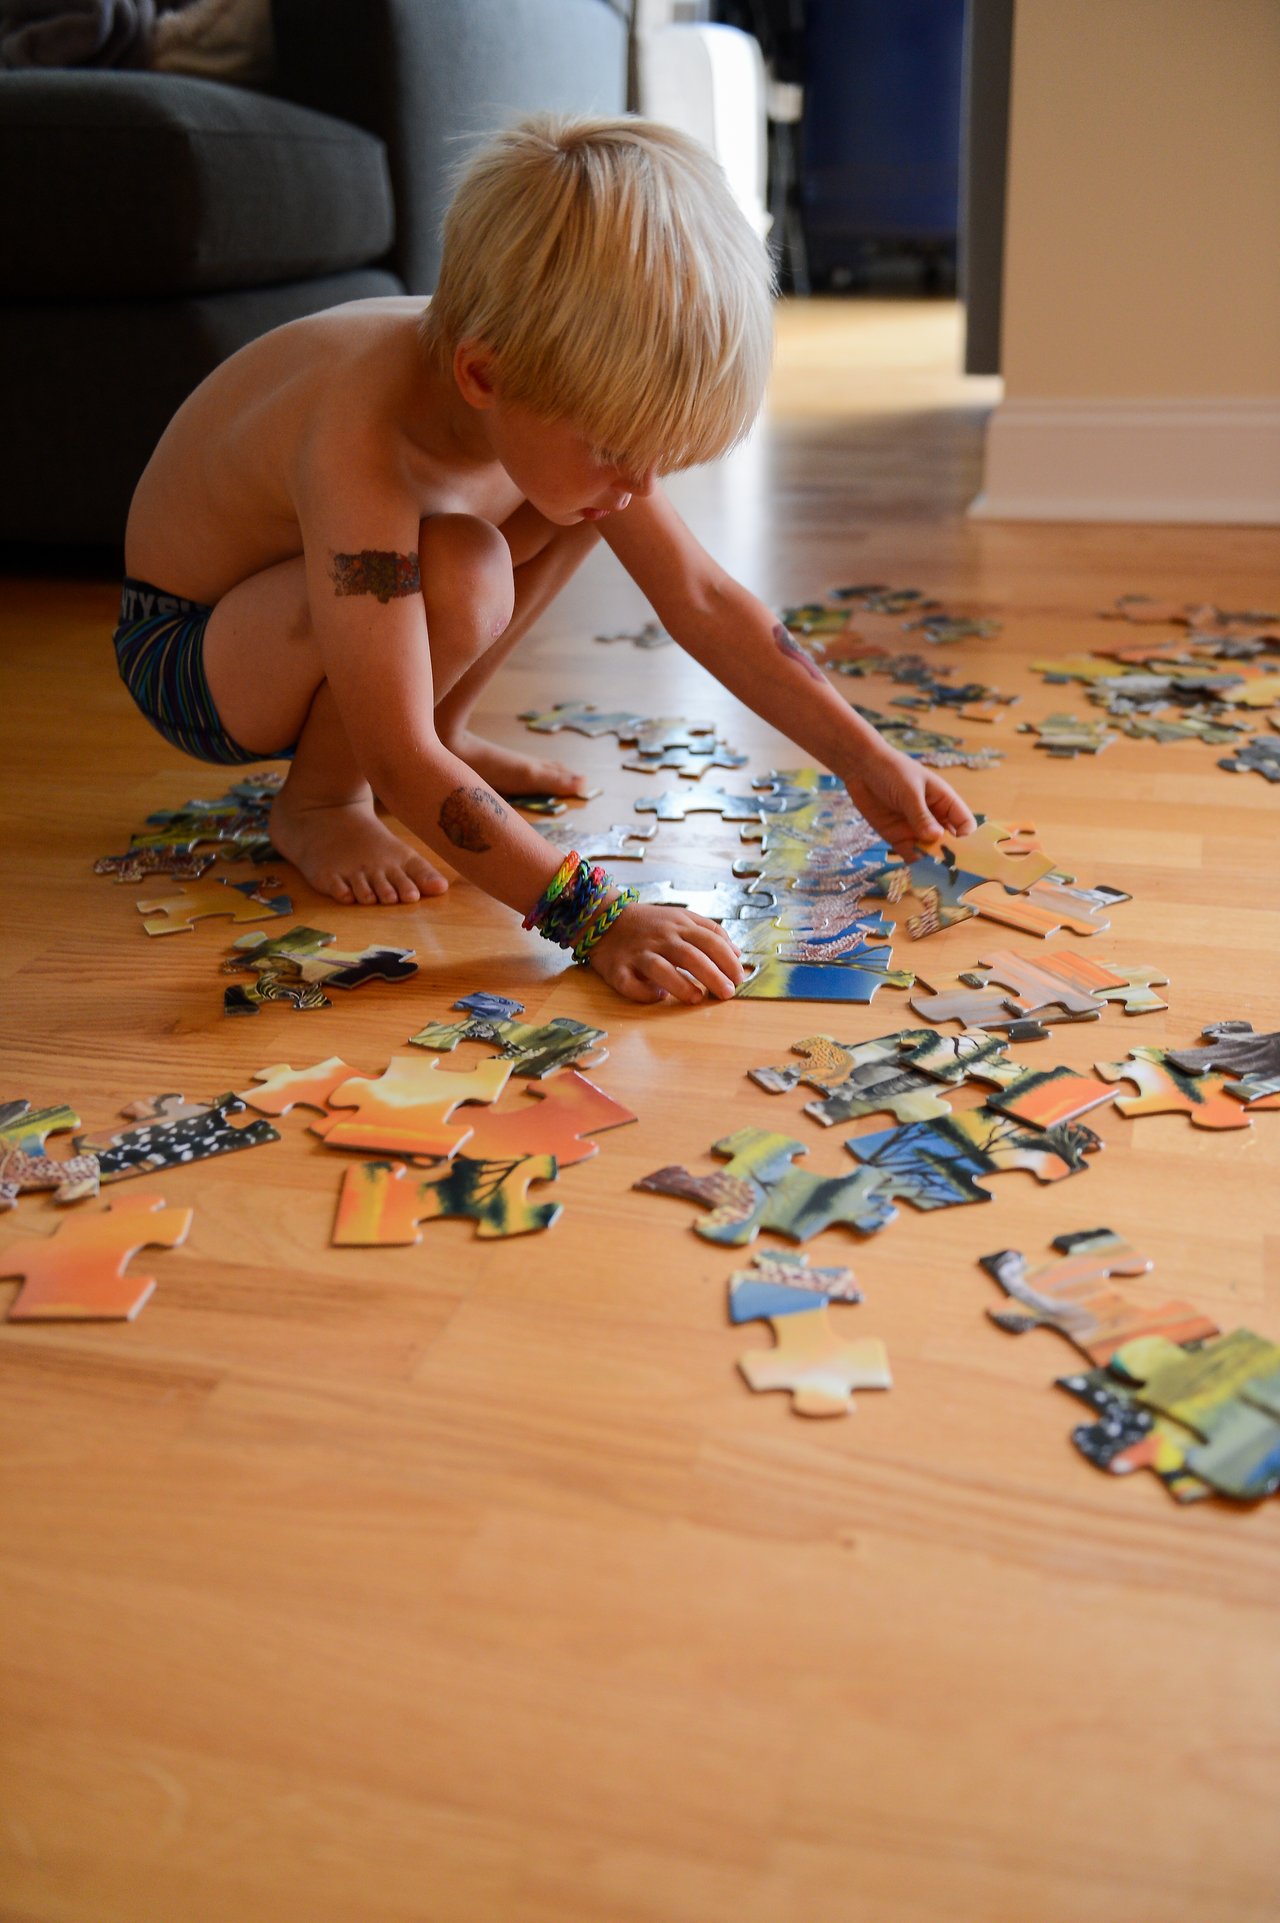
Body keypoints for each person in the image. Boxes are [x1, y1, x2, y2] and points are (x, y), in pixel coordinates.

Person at [117, 114, 974, 1006]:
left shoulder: (536, 380)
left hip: (297, 619)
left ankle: (455, 726)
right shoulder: (359, 432)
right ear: (481, 376)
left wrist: (865, 756)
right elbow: (397, 754)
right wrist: (598, 919)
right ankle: (322, 803)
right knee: (463, 565)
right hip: (190, 653)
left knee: (567, 504)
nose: (640, 481)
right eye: (617, 444)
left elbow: (704, 599)